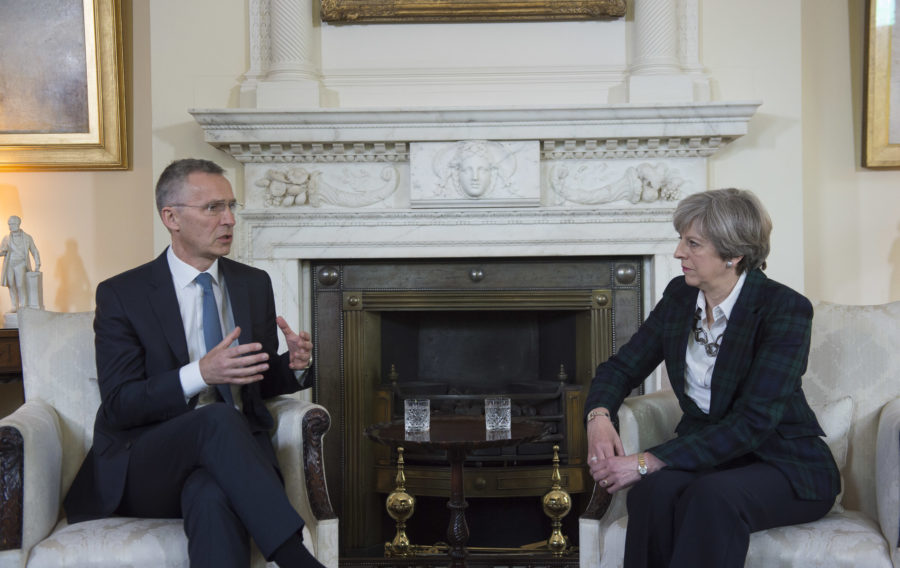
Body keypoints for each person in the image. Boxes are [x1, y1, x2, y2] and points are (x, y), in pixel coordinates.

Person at [64, 159, 325, 568]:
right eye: (213, 208)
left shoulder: (253, 284)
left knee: (212, 494)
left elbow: (252, 381)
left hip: (233, 463)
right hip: (147, 464)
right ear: (171, 217)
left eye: (231, 207)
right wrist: (200, 374)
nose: (229, 220)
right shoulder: (123, 294)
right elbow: (120, 403)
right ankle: (295, 557)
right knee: (217, 419)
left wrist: (290, 366)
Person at [583, 188, 840, 568]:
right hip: (709, 457)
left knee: (711, 497)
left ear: (733, 255)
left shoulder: (784, 309)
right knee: (651, 494)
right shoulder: (680, 298)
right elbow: (622, 367)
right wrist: (599, 417)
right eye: (680, 240)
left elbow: (754, 422)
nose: (677, 253)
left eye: (693, 243)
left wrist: (646, 460)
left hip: (784, 464)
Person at [0, 215, 41, 312]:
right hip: (9, 264)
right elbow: (1, 251)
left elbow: (34, 250)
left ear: (18, 224)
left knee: (20, 284)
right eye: (9, 224)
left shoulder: (27, 237)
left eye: (12, 224)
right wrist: (3, 251)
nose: (10, 226)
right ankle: (14, 305)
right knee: (11, 284)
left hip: (21, 263)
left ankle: (23, 305)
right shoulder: (6, 238)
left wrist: (37, 263)